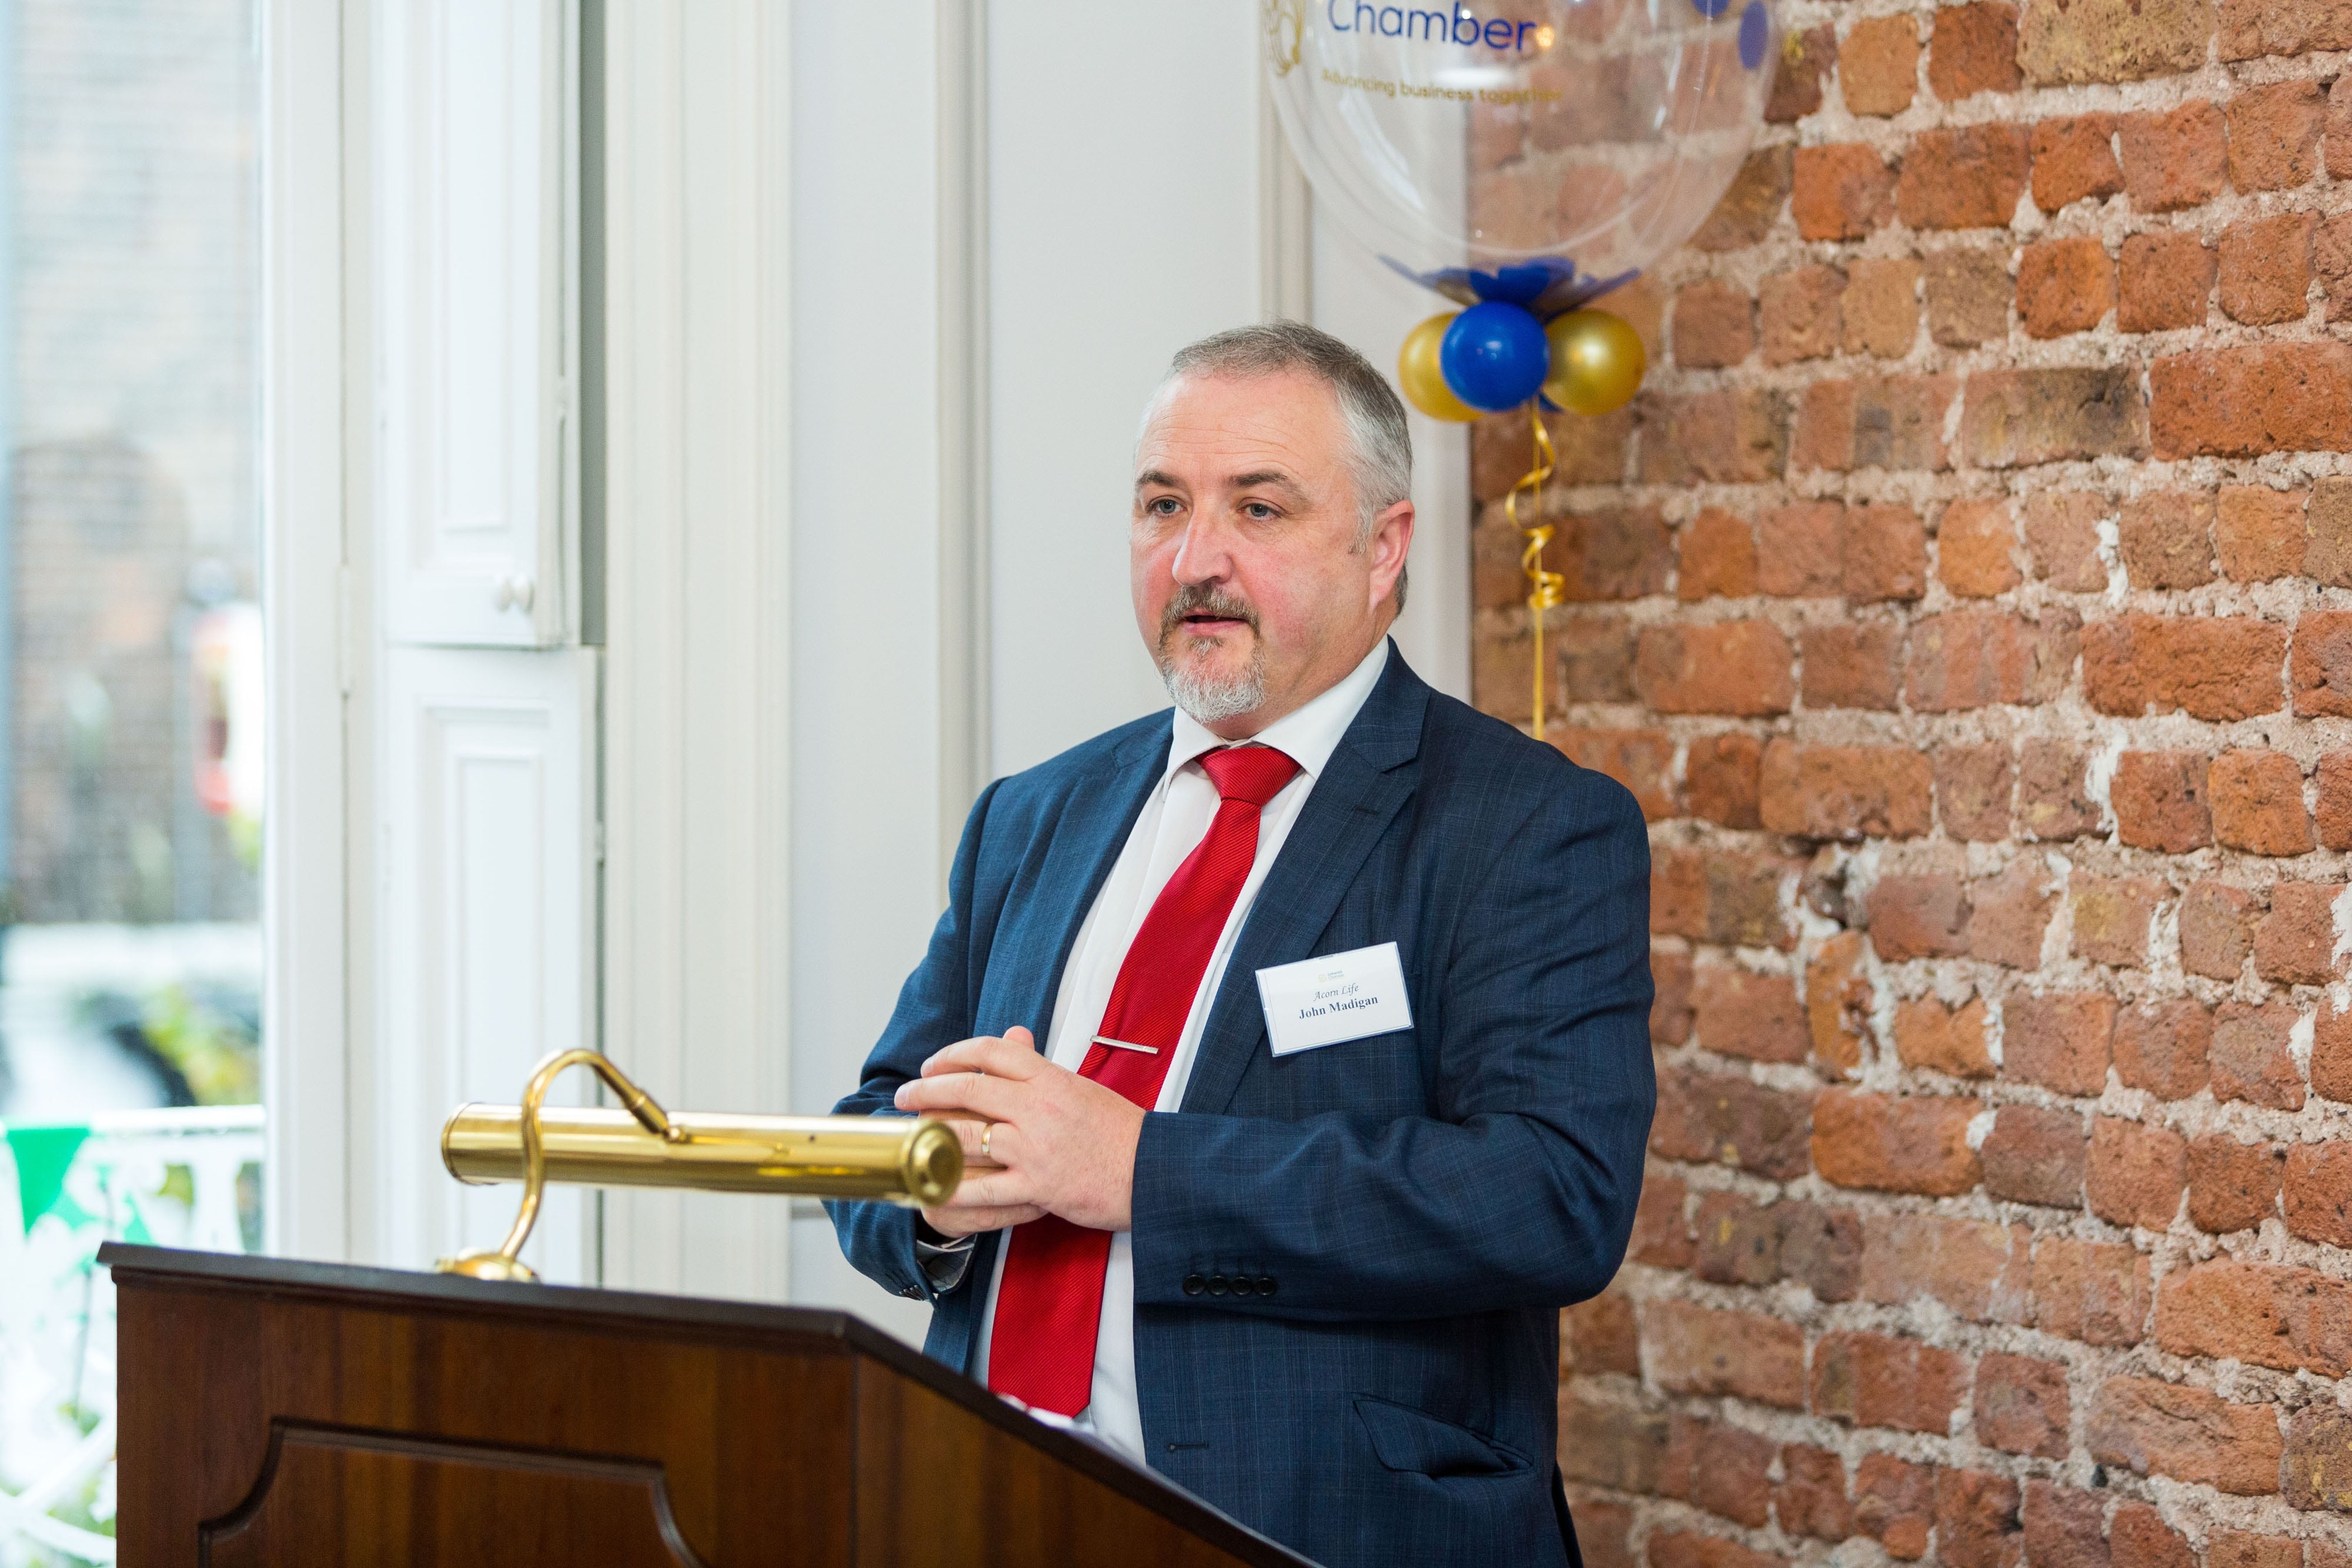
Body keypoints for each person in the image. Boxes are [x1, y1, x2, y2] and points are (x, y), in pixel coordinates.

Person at [827, 320, 1653, 1567]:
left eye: (1256, 509)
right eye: (1162, 504)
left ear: (1382, 548)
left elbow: (1550, 1197)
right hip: (984, 1501)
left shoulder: (1526, 823)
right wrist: (933, 1191)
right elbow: (871, 1129)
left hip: (1326, 1532)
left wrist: (1140, 1170)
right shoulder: (1033, 815)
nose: (1194, 558)